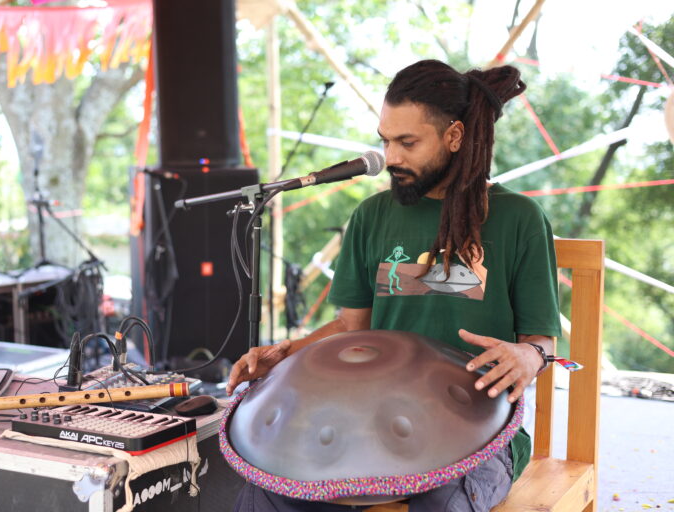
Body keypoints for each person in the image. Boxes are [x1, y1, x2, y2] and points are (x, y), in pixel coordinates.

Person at [226, 59, 561, 512]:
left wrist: (529, 356)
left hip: (480, 431)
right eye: (385, 140)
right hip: (370, 424)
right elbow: (351, 326)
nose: (391, 157)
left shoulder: (519, 218)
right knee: (268, 492)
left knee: (444, 503)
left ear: (454, 136)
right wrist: (285, 354)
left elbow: (541, 341)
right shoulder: (371, 216)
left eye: (407, 142)